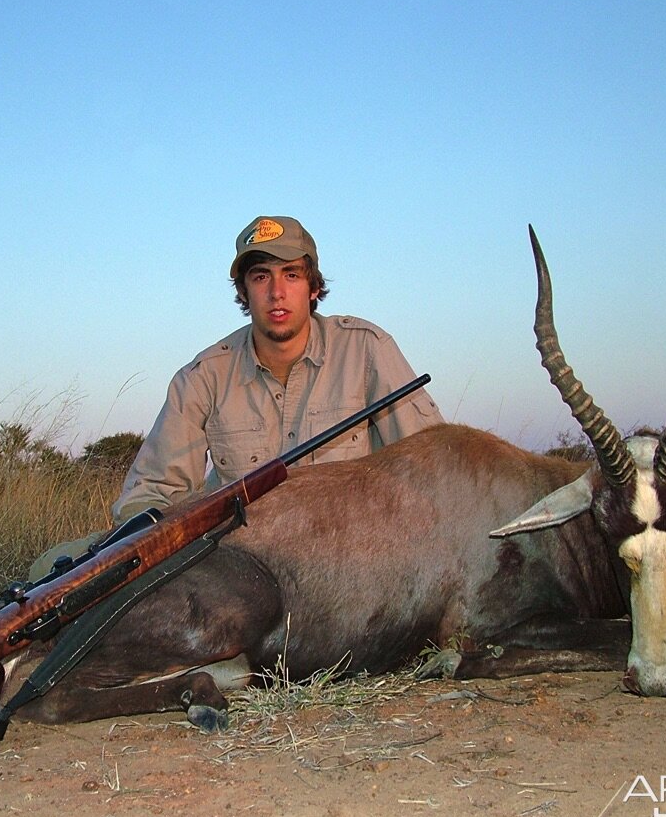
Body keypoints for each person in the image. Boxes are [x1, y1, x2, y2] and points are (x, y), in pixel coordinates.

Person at [29, 215, 443, 579]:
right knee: (54, 567)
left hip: (349, 557)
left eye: (292, 275)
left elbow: (434, 467)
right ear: (244, 292)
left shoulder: (366, 349)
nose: (277, 292)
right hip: (242, 564)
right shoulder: (204, 376)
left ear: (314, 287)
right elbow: (151, 492)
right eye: (261, 277)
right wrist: (152, 545)